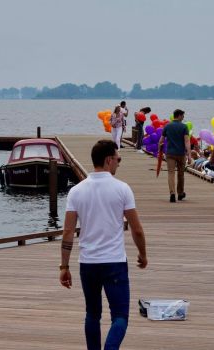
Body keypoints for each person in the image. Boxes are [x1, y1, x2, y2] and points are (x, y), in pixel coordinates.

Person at [59, 140, 148, 349]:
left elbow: (68, 231)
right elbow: (136, 229)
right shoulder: (122, 189)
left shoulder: (76, 191)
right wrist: (143, 254)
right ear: (108, 160)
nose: (118, 163)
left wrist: (64, 266)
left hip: (87, 263)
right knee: (120, 316)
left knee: (92, 314)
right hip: (114, 262)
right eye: (118, 159)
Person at [159, 109, 192, 203]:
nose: (183, 117)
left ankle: (172, 193)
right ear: (179, 116)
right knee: (181, 174)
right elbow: (187, 141)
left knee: (171, 173)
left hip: (170, 153)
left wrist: (159, 151)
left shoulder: (167, 126)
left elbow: (161, 140)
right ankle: (180, 193)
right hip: (181, 154)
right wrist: (189, 155)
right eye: (183, 116)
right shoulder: (184, 127)